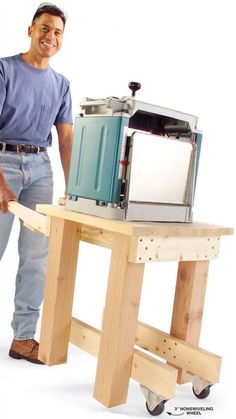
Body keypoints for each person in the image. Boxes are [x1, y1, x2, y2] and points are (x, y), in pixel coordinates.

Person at [0, 3, 73, 363]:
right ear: (31, 30)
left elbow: (65, 139)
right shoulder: (4, 69)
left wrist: (74, 189)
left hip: (41, 169)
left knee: (36, 258)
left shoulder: (61, 85)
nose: (50, 36)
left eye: (57, 32)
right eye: (45, 28)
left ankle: (23, 338)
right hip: (3, 162)